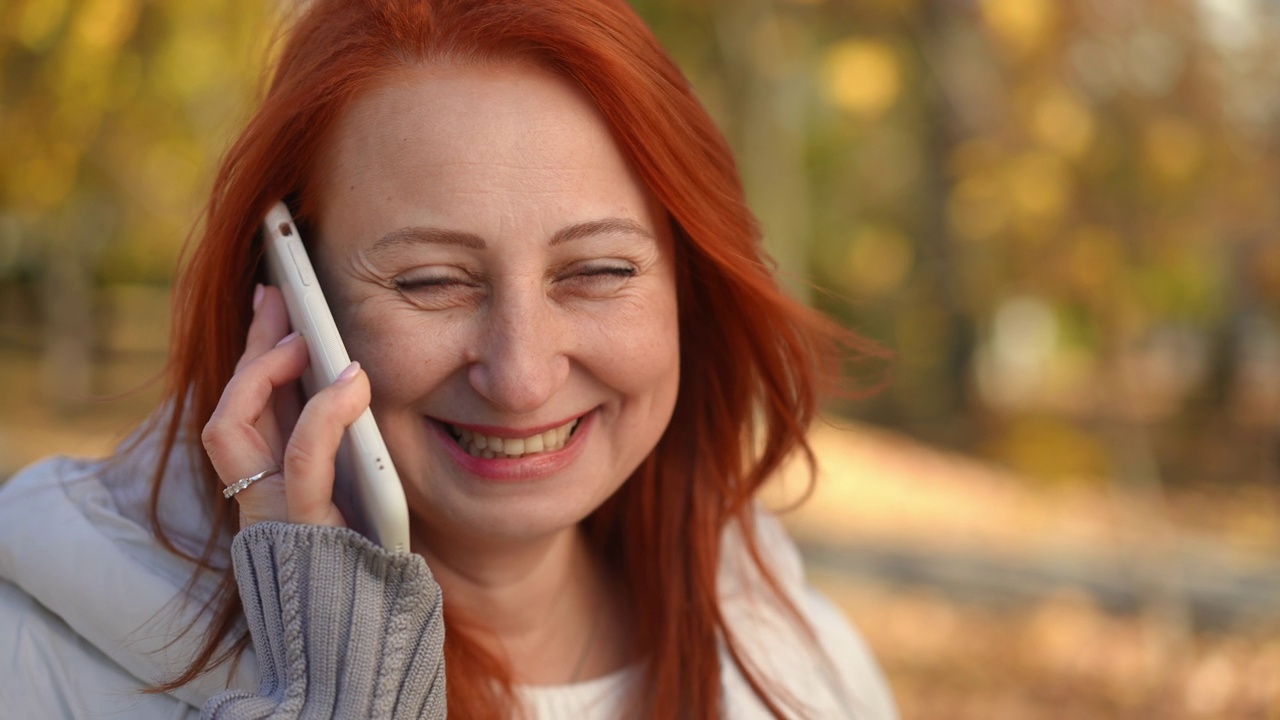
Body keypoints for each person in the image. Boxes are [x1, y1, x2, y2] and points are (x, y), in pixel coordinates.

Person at [0, 0, 898, 717]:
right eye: (432, 282)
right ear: (289, 302)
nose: (521, 376)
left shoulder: (799, 658)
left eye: (595, 271)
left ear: (685, 286)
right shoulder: (42, 658)